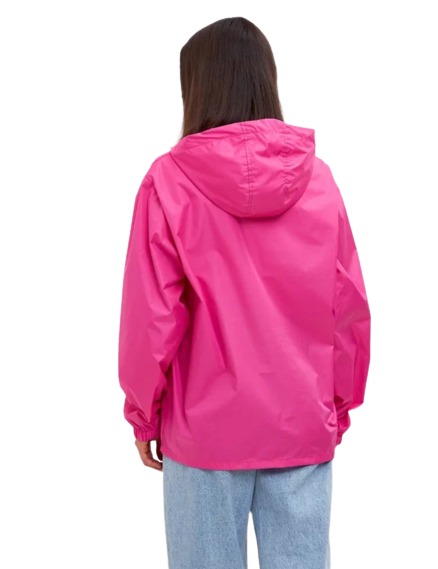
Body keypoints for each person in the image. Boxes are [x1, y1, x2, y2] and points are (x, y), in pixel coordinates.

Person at [117, 16, 371, 569]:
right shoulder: (319, 179)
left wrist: (143, 414)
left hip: (203, 433)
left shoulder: (167, 182)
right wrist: (337, 406)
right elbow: (347, 306)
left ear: (196, 88)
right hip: (301, 421)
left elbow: (151, 316)